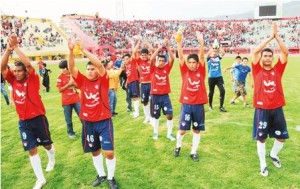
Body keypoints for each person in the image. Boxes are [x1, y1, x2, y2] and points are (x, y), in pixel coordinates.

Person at [1, 34, 55, 189]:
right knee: (31, 150)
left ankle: (51, 157)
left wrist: (16, 47)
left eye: (19, 71)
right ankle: (40, 179)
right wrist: (8, 49)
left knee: (47, 146)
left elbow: (29, 65)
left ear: (25, 72)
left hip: (38, 119)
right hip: (23, 122)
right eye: (15, 71)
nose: (17, 73)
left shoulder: (33, 79)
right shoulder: (12, 80)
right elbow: (2, 67)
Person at [68, 39, 118, 189]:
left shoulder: (103, 80)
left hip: (103, 121)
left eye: (92, 69)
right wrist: (71, 51)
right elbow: (71, 67)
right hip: (88, 123)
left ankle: (111, 177)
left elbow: (100, 65)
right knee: (94, 151)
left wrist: (84, 51)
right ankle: (101, 174)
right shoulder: (82, 81)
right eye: (88, 69)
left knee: (108, 152)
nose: (90, 71)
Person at [251, 22, 289, 177]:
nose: (267, 58)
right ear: (262, 58)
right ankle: (263, 164)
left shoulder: (278, 70)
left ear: (273, 58)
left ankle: (273, 155)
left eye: (269, 56)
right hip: (262, 109)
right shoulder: (257, 69)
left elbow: (285, 53)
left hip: (277, 108)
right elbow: (255, 51)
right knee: (262, 138)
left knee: (281, 137)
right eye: (264, 56)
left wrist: (277, 37)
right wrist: (269, 38)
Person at [173, 31, 208, 162]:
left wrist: (201, 42)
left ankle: (193, 152)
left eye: (194, 62)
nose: (192, 64)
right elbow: (181, 57)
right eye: (190, 62)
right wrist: (178, 42)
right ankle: (178, 146)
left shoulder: (201, 71)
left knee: (197, 130)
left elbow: (203, 57)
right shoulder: (185, 71)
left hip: (198, 105)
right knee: (182, 130)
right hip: (187, 105)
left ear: (197, 64)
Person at [149, 39, 175, 141]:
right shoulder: (153, 68)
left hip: (165, 96)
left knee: (169, 115)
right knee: (156, 116)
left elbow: (172, 59)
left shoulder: (166, 69)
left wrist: (168, 47)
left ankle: (169, 134)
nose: (161, 62)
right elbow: (151, 59)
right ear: (157, 61)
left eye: (163, 61)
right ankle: (155, 132)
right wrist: (159, 49)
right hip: (155, 96)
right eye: (159, 60)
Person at [56, 59, 81, 138]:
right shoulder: (60, 77)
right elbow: (60, 90)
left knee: (82, 116)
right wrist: (68, 84)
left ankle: (87, 130)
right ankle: (71, 132)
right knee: (68, 119)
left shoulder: (73, 75)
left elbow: (79, 86)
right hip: (66, 101)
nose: (62, 70)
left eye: (63, 68)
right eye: (61, 68)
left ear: (68, 68)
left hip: (77, 99)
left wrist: (74, 83)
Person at [132, 38, 154, 124]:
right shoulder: (140, 61)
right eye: (142, 55)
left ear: (148, 55)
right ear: (141, 55)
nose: (144, 56)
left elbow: (152, 50)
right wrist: (139, 42)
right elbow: (134, 52)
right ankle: (147, 117)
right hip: (143, 84)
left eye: (146, 55)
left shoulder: (151, 60)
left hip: (151, 84)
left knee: (152, 101)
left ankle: (152, 118)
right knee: (144, 102)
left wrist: (146, 42)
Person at [206, 41, 227, 112]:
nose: (214, 53)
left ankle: (221, 106)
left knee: (222, 90)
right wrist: (213, 48)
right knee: (211, 92)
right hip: (211, 78)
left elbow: (223, 53)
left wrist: (218, 47)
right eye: (213, 52)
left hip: (219, 77)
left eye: (215, 52)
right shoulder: (209, 58)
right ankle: (210, 105)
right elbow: (207, 54)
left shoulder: (218, 57)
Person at [123, 52, 140, 118]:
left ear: (130, 59)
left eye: (127, 58)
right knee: (133, 97)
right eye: (125, 59)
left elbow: (134, 52)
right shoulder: (127, 66)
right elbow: (128, 75)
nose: (126, 60)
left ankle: (137, 112)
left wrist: (133, 44)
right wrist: (126, 83)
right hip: (130, 82)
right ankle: (136, 111)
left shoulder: (132, 62)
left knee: (135, 97)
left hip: (134, 82)